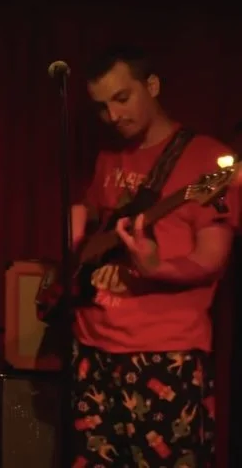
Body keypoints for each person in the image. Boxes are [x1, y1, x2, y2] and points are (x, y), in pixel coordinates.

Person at [68, 45, 239, 467]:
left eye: (122, 98)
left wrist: (155, 267)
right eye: (102, 107)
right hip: (92, 346)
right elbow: (96, 216)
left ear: (153, 85)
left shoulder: (208, 161)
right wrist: (77, 230)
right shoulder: (109, 155)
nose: (113, 116)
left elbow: (213, 258)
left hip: (164, 355)